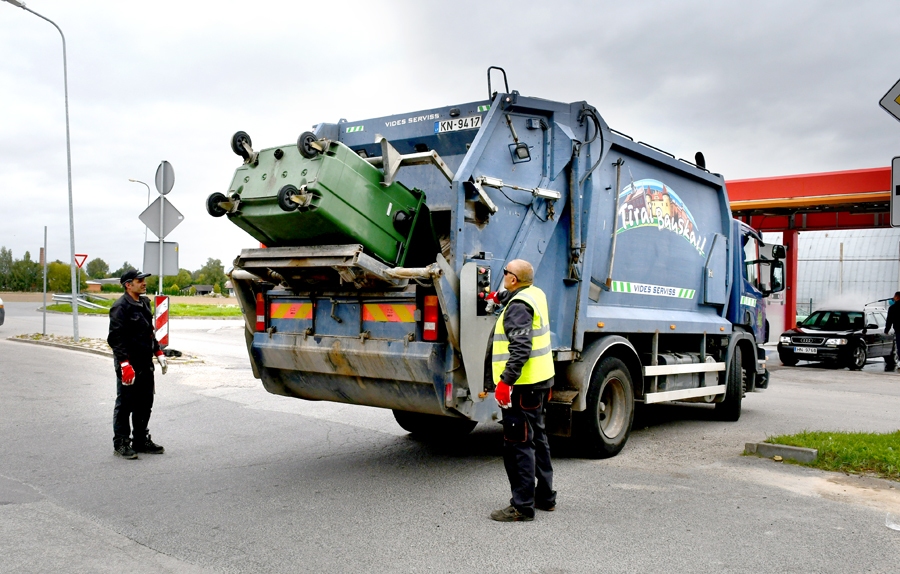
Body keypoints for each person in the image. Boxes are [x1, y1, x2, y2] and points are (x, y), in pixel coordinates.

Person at [488, 259, 556, 522]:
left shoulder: (518, 307)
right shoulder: (534, 294)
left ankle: (522, 506)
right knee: (538, 439)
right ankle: (545, 497)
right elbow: (514, 297)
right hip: (539, 382)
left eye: (505, 273)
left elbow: (520, 348)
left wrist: (506, 381)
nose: (503, 276)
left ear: (513, 279)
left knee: (518, 445)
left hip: (522, 387)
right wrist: (497, 297)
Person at [107, 270, 168, 459]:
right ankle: (121, 443)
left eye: (144, 280)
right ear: (128, 284)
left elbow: (148, 331)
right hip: (129, 365)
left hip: (144, 363)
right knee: (125, 404)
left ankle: (140, 440)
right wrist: (124, 364)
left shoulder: (144, 303)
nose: (144, 283)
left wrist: (158, 351)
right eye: (139, 280)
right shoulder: (120, 307)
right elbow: (115, 339)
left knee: (144, 403)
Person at [884, 291, 900, 372]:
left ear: (897, 297)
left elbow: (889, 320)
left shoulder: (892, 308)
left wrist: (886, 330)